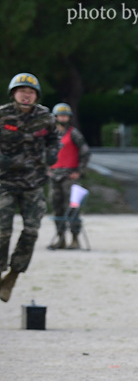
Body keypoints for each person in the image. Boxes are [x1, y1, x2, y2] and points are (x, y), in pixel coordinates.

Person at [0, 72, 59, 302]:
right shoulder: (3, 115)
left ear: (36, 96)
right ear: (13, 93)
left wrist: (53, 152)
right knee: (2, 231)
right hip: (4, 182)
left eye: (31, 92)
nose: (26, 95)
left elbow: (55, 139)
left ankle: (13, 276)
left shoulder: (45, 117)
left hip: (33, 183)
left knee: (32, 231)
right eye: (22, 91)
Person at [48, 103, 91, 250]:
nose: (62, 118)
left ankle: (75, 238)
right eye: (60, 115)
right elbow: (44, 152)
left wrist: (79, 171)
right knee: (56, 207)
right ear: (55, 117)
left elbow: (85, 153)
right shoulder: (51, 135)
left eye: (65, 115)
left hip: (69, 176)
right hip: (54, 176)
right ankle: (60, 238)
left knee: (72, 208)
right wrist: (46, 168)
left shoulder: (74, 134)